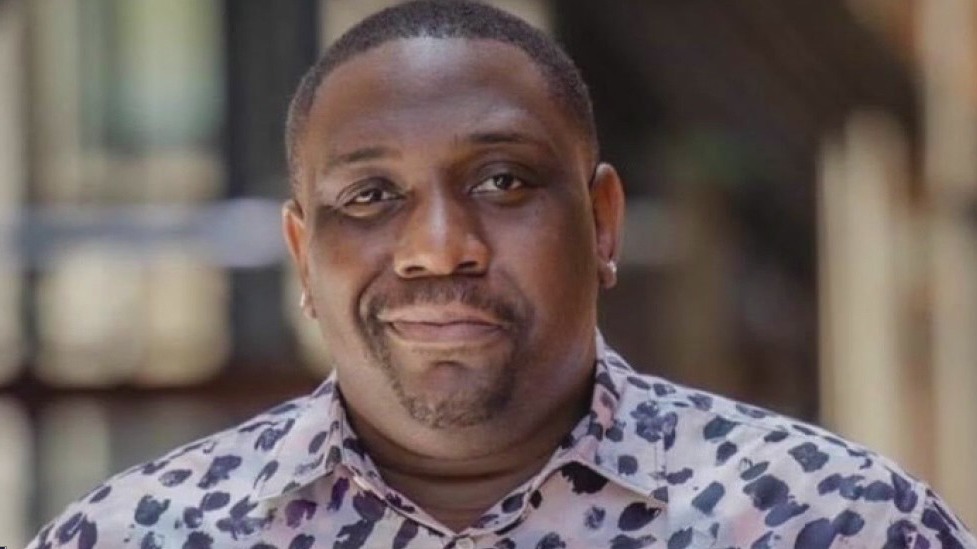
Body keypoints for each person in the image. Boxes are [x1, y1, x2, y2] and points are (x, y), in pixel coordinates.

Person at [28, 1, 976, 548]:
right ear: (302, 256)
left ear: (601, 221)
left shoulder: (832, 521)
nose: (439, 246)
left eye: (502, 181)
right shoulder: (139, 534)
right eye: (369, 196)